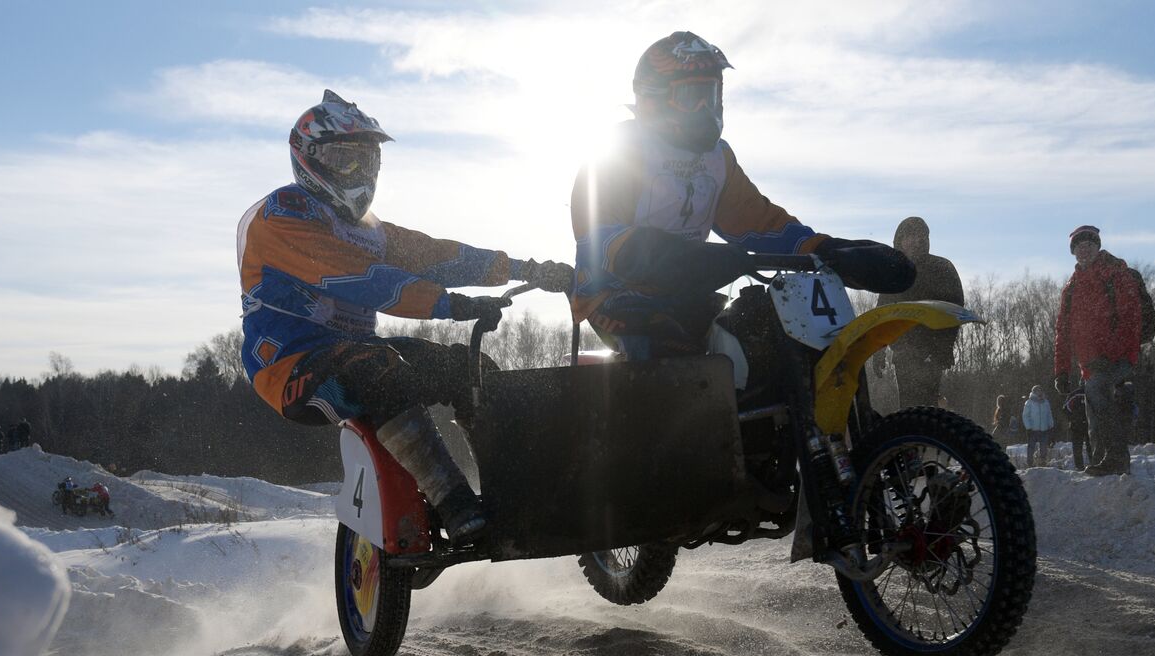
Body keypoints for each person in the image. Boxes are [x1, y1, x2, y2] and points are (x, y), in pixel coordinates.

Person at [238, 90, 573, 543]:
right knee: (379, 371)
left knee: (469, 369)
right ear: (309, 157)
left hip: (360, 350)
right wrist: (449, 304)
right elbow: (361, 278)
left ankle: (511, 489)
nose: (359, 173)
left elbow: (437, 255)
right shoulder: (280, 216)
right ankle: (453, 501)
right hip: (291, 366)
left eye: (367, 161)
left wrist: (524, 269)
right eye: (344, 159)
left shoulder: (367, 228)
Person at [570, 32, 912, 362]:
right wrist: (685, 259)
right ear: (653, 97)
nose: (706, 107)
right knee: (670, 359)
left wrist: (827, 249)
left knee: (766, 333)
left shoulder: (717, 160)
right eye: (693, 96)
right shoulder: (617, 153)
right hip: (615, 296)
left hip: (687, 289)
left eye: (713, 94)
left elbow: (759, 221)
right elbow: (601, 241)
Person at [1053, 225, 1141, 476]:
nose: (1085, 250)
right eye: (1079, 246)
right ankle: (1104, 461)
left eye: (1089, 244)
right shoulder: (1071, 288)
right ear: (1073, 252)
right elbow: (1063, 331)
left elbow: (1131, 317)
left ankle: (1114, 459)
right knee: (1092, 410)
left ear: (1098, 246)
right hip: (1089, 363)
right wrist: (1061, 370)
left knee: (1099, 396)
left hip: (1119, 357)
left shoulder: (1116, 274)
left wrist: (1112, 353)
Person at [875, 217, 965, 407]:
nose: (919, 240)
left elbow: (956, 308)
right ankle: (911, 436)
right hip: (903, 353)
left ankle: (928, 435)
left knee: (928, 408)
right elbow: (882, 313)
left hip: (932, 350)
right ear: (900, 241)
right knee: (909, 408)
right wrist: (878, 350)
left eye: (923, 235)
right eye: (912, 235)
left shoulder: (942, 269)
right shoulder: (894, 271)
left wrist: (945, 346)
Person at [1062, 385, 1093, 471]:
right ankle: (1080, 466)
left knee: (1087, 445)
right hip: (1079, 424)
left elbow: (1065, 407)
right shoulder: (1075, 394)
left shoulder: (1091, 392)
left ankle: (1091, 464)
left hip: (1087, 423)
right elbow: (1065, 407)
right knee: (1080, 446)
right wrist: (1073, 418)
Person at [1021, 385, 1054, 467]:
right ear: (1033, 392)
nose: (1039, 392)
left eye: (1040, 390)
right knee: (1031, 447)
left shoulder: (1046, 402)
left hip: (1044, 429)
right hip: (1033, 429)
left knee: (1043, 447)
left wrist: (1051, 425)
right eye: (1037, 390)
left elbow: (1049, 414)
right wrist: (1028, 427)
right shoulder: (1029, 402)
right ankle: (1030, 463)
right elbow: (1025, 416)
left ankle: (1042, 462)